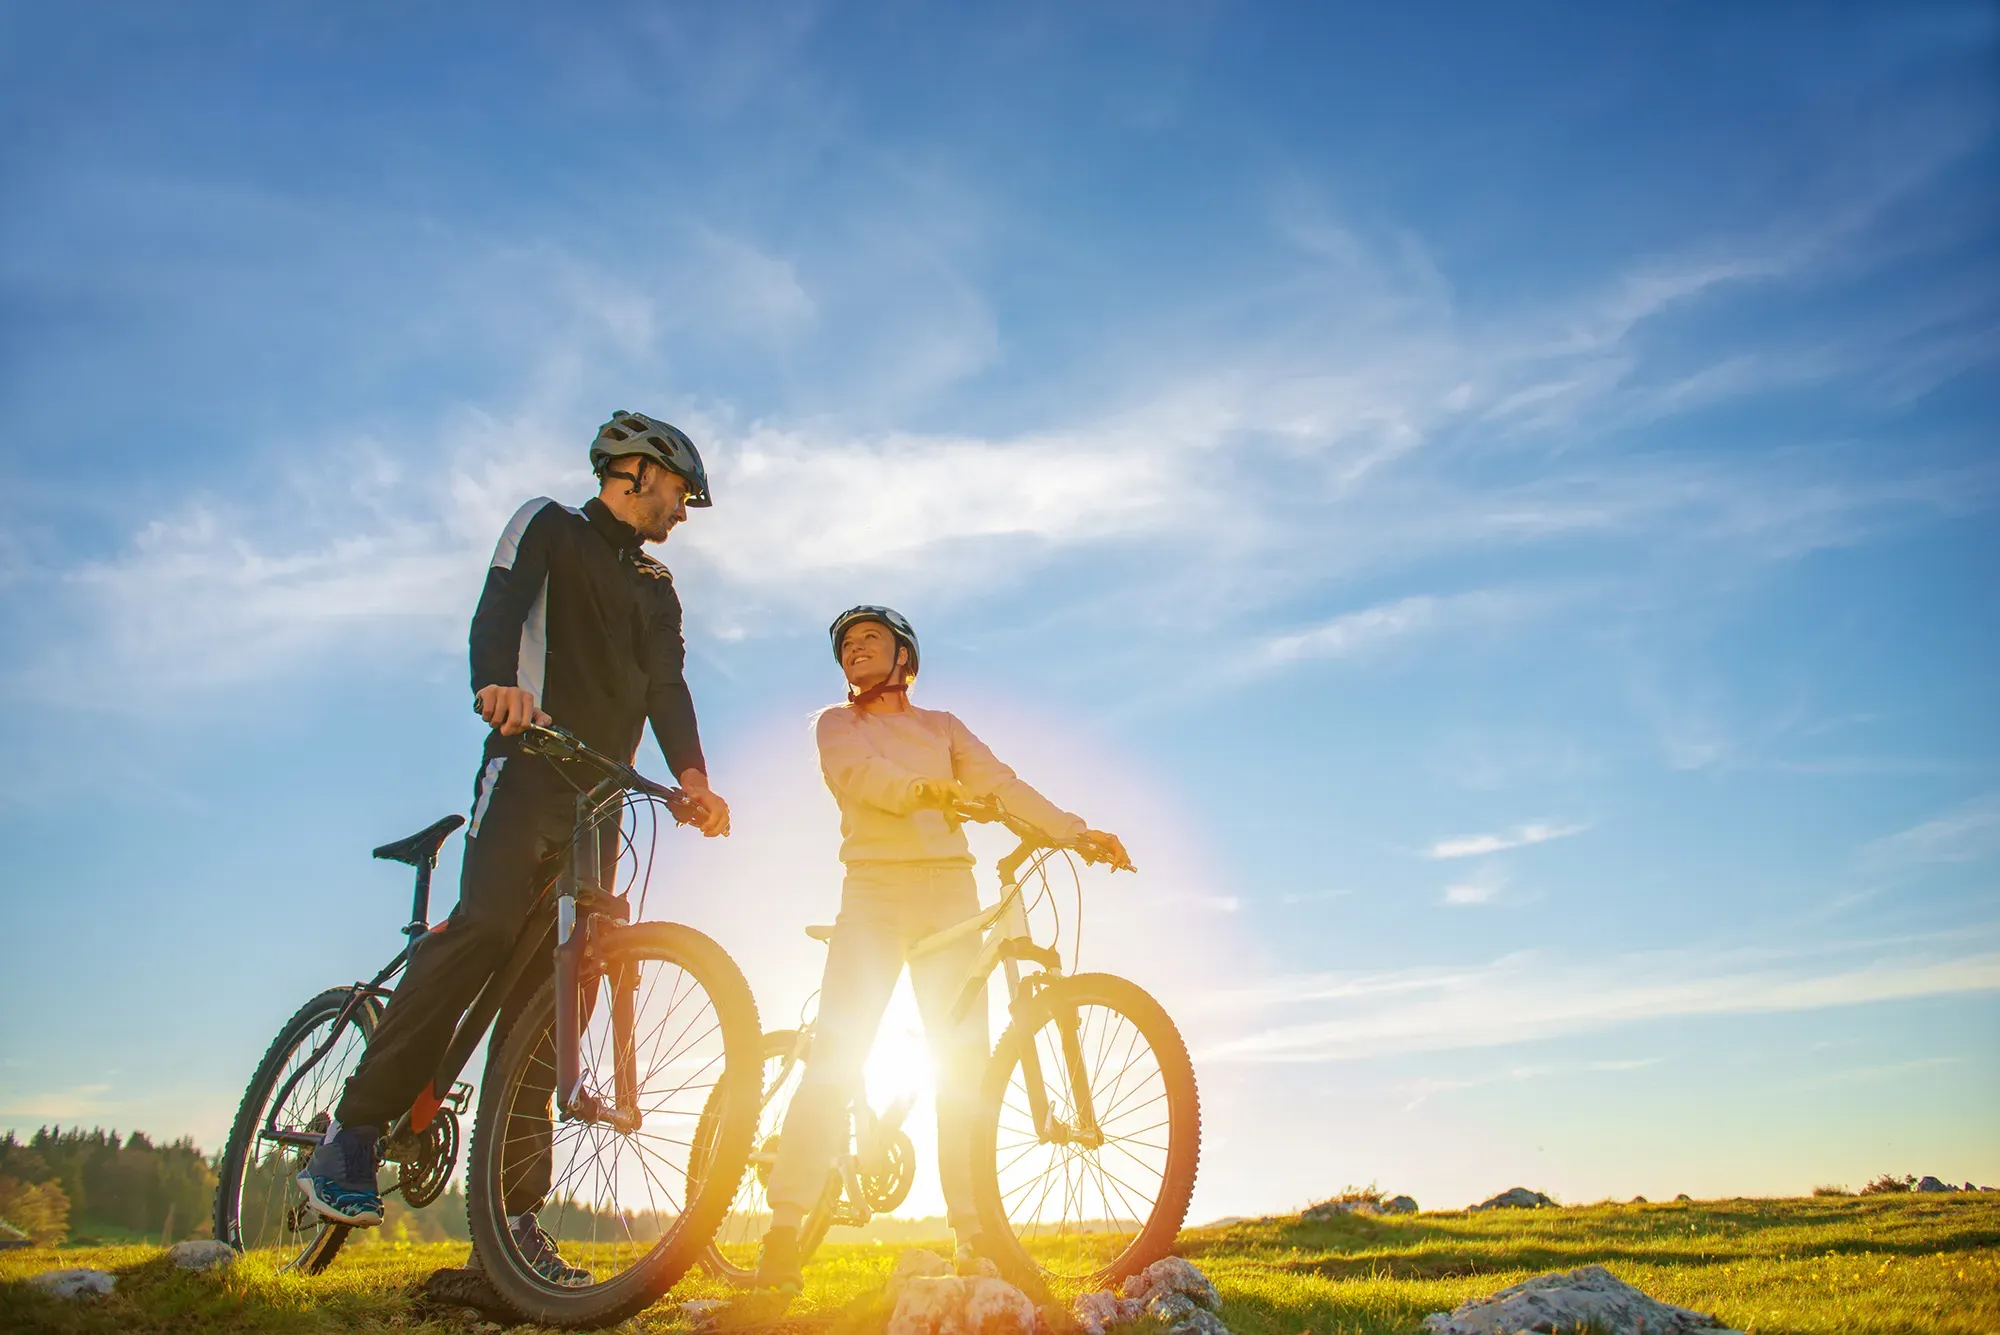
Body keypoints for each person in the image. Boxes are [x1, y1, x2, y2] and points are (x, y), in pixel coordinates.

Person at [298, 411, 732, 1288]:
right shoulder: (550, 526)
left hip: (601, 799)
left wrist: (691, 773)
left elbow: (666, 685)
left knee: (551, 1000)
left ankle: (512, 1221)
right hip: (528, 763)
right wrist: (494, 682)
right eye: (680, 493)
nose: (683, 512)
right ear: (637, 470)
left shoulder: (657, 587)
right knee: (486, 927)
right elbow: (499, 602)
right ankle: (351, 1136)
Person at [754, 606, 1128, 1293]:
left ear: (904, 655)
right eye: (845, 646)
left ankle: (972, 1231)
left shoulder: (943, 727)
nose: (854, 651)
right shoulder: (838, 724)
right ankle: (783, 1232)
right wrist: (921, 788)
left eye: (870, 638)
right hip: (874, 894)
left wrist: (1075, 832)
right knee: (836, 1059)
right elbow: (859, 776)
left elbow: (1002, 784)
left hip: (951, 893)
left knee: (965, 1066)